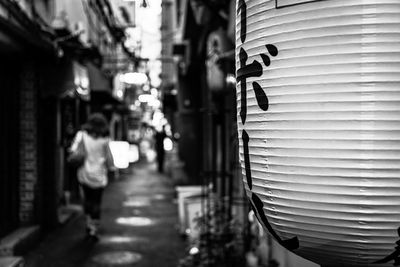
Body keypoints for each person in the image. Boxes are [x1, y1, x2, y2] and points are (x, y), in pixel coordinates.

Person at [69, 113, 114, 239]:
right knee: (96, 201)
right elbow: (109, 158)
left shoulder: (82, 135)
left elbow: (73, 150)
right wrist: (112, 167)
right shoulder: (105, 139)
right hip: (99, 174)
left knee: (87, 200)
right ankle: (94, 228)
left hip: (84, 173)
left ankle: (89, 224)